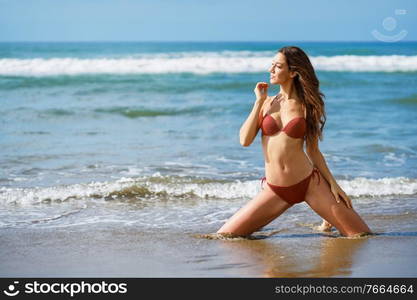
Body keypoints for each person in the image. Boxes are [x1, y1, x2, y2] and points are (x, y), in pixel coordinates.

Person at [217, 46, 371, 237]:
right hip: (275, 190)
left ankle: (326, 220)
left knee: (361, 235)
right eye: (272, 65)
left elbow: (313, 151)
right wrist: (258, 101)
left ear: (293, 72)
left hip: (309, 184)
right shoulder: (266, 103)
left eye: (278, 66)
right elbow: (244, 140)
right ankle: (322, 221)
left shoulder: (309, 106)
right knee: (225, 236)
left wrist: (333, 185)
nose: (270, 70)